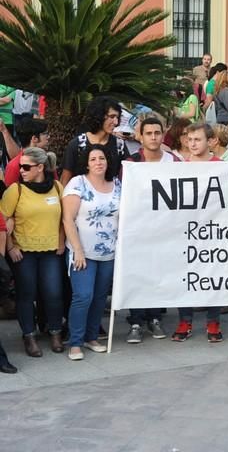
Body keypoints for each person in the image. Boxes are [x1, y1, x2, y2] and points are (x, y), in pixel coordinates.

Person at [0, 148, 65, 357]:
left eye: (26, 167)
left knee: (53, 293)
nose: (22, 170)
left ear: (40, 168)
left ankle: (55, 331)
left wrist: (62, 240)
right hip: (24, 252)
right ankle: (29, 335)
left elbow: (65, 217)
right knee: (26, 294)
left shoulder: (56, 187)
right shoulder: (15, 190)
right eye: (20, 167)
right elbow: (3, 220)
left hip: (52, 249)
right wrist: (11, 247)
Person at [62, 145, 121, 360]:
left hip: (109, 254)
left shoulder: (117, 184)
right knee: (83, 296)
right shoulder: (77, 183)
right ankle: (75, 342)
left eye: (102, 158)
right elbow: (67, 219)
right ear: (86, 163)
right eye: (93, 158)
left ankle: (91, 336)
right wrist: (77, 250)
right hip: (82, 252)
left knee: (98, 298)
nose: (98, 162)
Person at [124, 118, 177, 343]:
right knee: (137, 274)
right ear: (141, 137)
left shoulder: (173, 161)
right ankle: (135, 321)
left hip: (164, 229)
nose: (153, 137)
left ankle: (155, 318)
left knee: (157, 274)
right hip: (137, 229)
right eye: (149, 133)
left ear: (163, 134)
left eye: (157, 133)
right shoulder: (131, 163)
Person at [171, 124, 223, 343]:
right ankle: (185, 320)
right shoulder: (179, 167)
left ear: (210, 142)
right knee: (187, 275)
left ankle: (213, 322)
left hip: (216, 231)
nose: (192, 144)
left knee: (214, 275)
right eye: (189, 139)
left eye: (197, 139)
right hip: (187, 232)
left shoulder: (222, 166)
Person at [61, 96, 129, 186]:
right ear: (99, 116)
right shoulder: (77, 144)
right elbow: (65, 178)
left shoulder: (119, 145)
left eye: (117, 117)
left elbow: (128, 176)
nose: (116, 122)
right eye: (112, 117)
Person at [5, 119, 49, 186]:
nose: (48, 137)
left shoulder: (47, 159)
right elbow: (9, 194)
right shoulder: (14, 166)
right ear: (34, 139)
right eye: (46, 134)